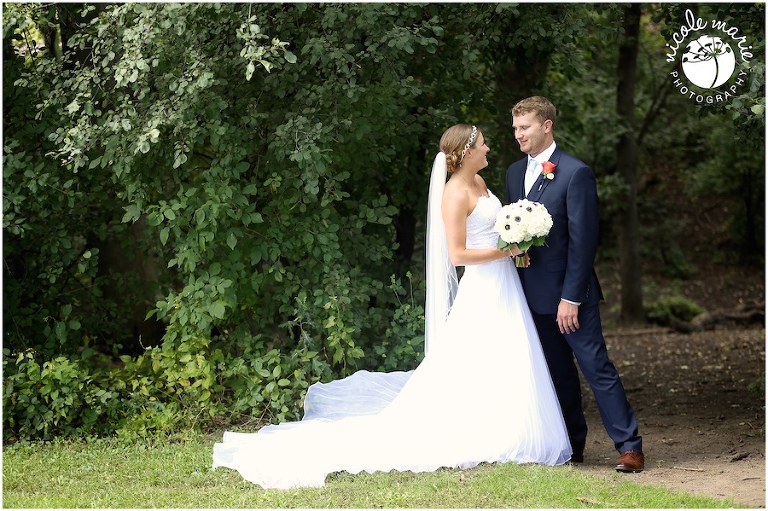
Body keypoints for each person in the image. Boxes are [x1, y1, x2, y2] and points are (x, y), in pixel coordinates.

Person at [212, 124, 573, 489]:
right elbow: (458, 254)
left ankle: (508, 426)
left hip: (505, 281)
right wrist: (507, 251)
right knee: (477, 355)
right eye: (482, 145)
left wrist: (518, 240)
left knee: (507, 353)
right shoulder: (454, 193)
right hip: (483, 285)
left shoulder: (481, 184)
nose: (489, 148)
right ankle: (479, 427)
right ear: (466, 153)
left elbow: (495, 228)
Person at [504, 96, 644, 472]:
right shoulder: (514, 172)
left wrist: (571, 298)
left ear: (546, 126)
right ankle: (570, 444)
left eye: (525, 127)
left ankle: (629, 446)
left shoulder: (575, 172)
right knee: (556, 372)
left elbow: (584, 241)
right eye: (515, 128)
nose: (518, 134)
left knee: (596, 367)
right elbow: (513, 230)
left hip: (571, 296)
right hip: (530, 294)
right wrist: (517, 252)